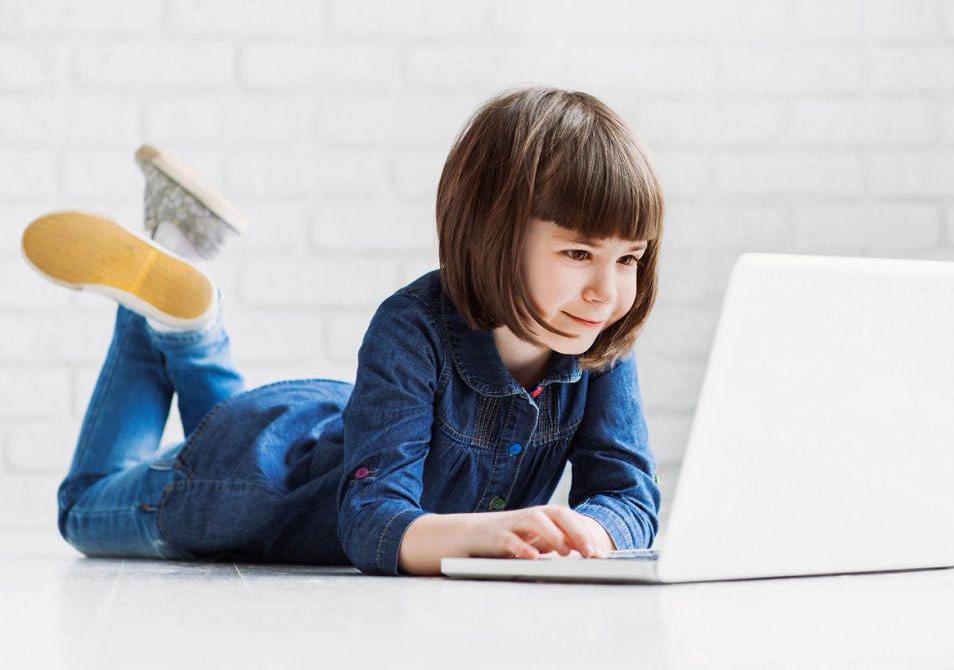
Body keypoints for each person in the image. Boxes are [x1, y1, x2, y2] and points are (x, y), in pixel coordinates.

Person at [22, 86, 664, 577]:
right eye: (578, 255)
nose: (606, 291)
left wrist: (589, 537)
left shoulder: (597, 337)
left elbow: (631, 497)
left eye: (628, 259)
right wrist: (487, 535)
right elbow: (372, 522)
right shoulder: (412, 327)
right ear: (491, 232)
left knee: (218, 421)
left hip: (319, 430)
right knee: (82, 508)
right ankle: (181, 314)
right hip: (254, 481)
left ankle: (180, 260)